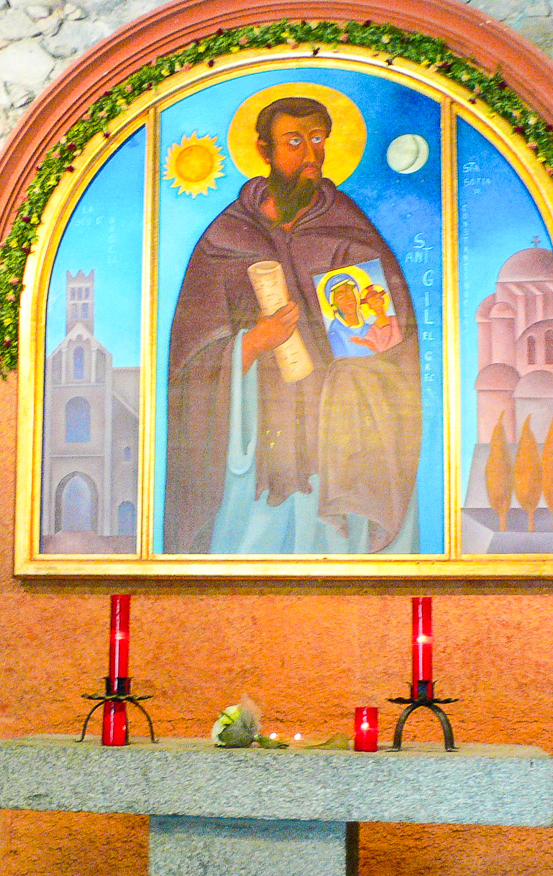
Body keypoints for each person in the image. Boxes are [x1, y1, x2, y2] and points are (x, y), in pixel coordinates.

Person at [165, 95, 422, 555]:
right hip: (252, 458)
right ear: (264, 151)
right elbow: (190, 362)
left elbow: (385, 349)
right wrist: (251, 344)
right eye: (294, 141)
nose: (310, 154)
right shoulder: (225, 238)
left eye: (318, 139)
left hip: (333, 453)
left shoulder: (347, 231)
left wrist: (378, 346)